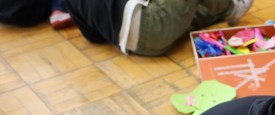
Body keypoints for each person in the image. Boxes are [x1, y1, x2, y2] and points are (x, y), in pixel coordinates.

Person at [62, 0, 254, 56]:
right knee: (169, 13)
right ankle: (232, 9)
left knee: (183, 12)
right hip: (151, 24)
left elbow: (93, 37)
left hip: (134, 46)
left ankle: (220, 10)